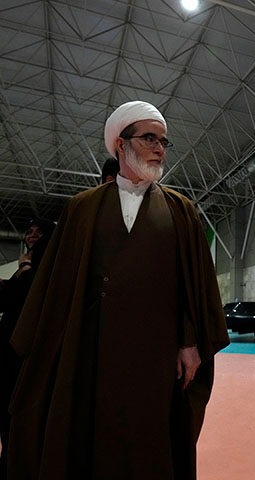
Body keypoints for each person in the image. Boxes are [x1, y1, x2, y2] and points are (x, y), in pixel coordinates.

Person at [7, 101, 229, 480]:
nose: (159, 147)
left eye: (163, 141)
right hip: (93, 345)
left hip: (158, 352)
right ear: (120, 145)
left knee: (151, 435)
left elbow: (193, 284)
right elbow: (58, 287)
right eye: (149, 138)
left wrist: (190, 342)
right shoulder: (82, 208)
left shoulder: (182, 210)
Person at [0, 219, 55, 480]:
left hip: (23, 354)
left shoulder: (40, 267)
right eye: (29, 232)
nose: (31, 236)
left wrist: (23, 267)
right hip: (11, 350)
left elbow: (23, 295)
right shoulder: (29, 265)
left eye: (38, 233)